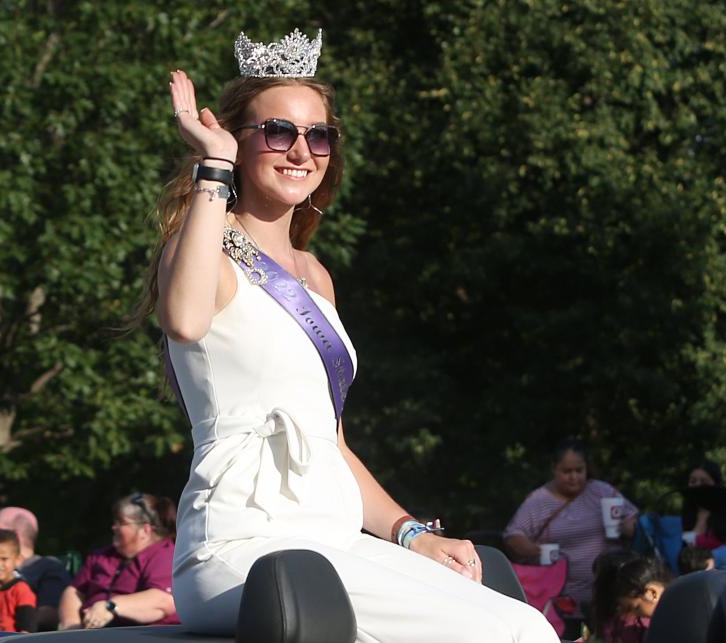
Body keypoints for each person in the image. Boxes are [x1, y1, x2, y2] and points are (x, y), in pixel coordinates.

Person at [137, 27, 559, 641]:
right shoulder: (205, 250)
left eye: (319, 135)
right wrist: (213, 167)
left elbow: (328, 443)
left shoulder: (316, 278)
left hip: (334, 544)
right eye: (278, 131)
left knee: (523, 624)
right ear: (238, 139)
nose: (300, 151)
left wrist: (412, 532)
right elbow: (184, 320)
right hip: (245, 553)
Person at [504, 437, 638, 639]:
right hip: (561, 603)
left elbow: (634, 521)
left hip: (607, 597)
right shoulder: (538, 501)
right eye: (567, 472)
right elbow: (513, 535)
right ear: (554, 469)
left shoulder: (602, 492)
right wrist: (536, 550)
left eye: (579, 470)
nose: (574, 477)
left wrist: (627, 526)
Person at [58, 493, 178, 629]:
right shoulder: (102, 555)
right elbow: (74, 592)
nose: (114, 527)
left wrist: (110, 607)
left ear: (145, 530)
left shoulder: (165, 554)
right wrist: (72, 628)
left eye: (121, 523)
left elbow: (163, 601)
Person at [681, 459, 723, 550]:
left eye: (704, 482)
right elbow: (684, 548)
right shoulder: (682, 518)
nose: (698, 485)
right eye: (693, 481)